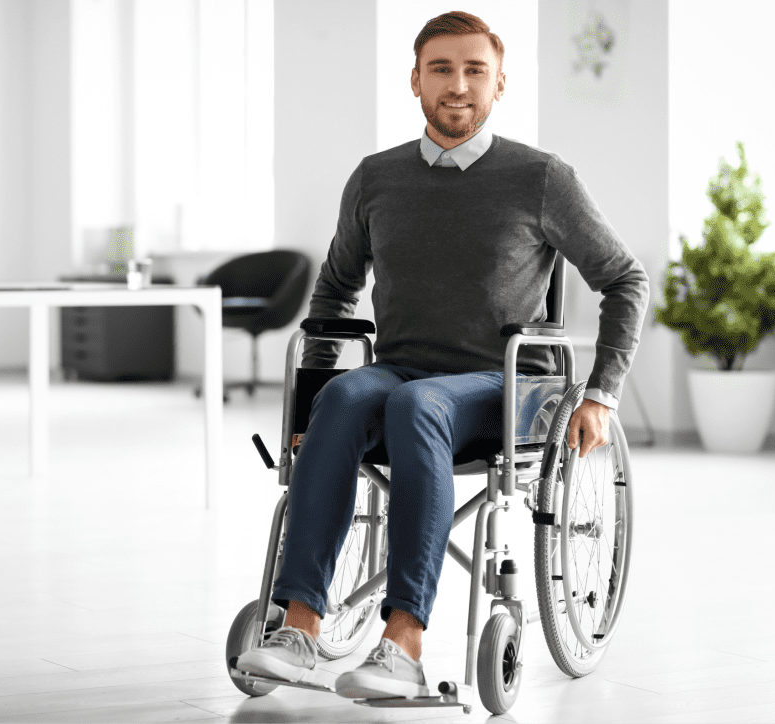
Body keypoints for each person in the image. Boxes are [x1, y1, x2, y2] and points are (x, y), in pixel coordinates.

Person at [237, 10, 649, 700]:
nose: (458, 85)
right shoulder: (375, 179)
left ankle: (403, 645)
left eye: (474, 70)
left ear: (499, 83)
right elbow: (335, 291)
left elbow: (625, 278)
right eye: (441, 69)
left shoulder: (541, 178)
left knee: (414, 402)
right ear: (415, 81)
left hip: (507, 387)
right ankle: (300, 626)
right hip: (403, 370)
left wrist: (603, 392)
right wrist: (308, 413)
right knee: (346, 397)